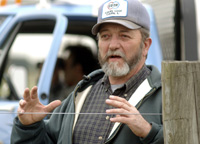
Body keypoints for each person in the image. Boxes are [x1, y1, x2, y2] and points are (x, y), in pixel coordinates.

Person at [11, 0, 163, 143]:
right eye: (105, 36)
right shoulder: (81, 95)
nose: (112, 45)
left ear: (145, 45)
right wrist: (28, 127)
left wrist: (149, 132)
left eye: (124, 36)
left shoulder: (167, 96)